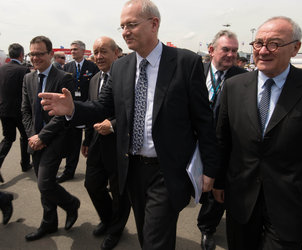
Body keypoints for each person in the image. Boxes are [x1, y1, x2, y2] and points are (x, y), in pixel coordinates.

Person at [39, 1, 218, 249]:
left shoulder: (185, 62)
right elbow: (102, 107)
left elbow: (203, 119)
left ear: (154, 24)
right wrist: (73, 109)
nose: (124, 31)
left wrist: (209, 167)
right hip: (131, 168)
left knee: (156, 239)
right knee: (147, 235)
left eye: (131, 25)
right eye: (122, 26)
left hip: (167, 170)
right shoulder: (122, 66)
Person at [213, 16, 302, 250]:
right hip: (242, 201)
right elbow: (224, 141)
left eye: (273, 44)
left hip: (292, 205)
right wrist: (219, 182)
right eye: (258, 44)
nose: (263, 51)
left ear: (295, 48)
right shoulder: (234, 86)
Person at [22, 36, 80, 241]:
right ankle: (50, 223)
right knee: (42, 183)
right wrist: (32, 136)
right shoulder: (28, 78)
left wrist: (43, 136)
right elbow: (25, 110)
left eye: (39, 53)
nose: (35, 58)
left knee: (45, 183)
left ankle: (71, 204)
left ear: (50, 54)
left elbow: (65, 114)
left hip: (55, 140)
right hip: (35, 140)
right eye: (32, 54)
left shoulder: (64, 78)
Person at [198, 30, 246, 250]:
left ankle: (207, 228)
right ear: (211, 50)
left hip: (223, 146)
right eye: (225, 49)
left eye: (234, 50)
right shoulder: (196, 72)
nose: (231, 54)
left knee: (216, 192)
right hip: (194, 144)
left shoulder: (242, 78)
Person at [81, 36, 131, 250]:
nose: (99, 56)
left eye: (104, 51)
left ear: (116, 53)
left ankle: (116, 230)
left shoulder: (127, 79)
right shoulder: (93, 79)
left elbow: (134, 112)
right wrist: (86, 139)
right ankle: (109, 218)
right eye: (96, 52)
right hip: (96, 143)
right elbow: (91, 110)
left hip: (120, 145)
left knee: (120, 192)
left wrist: (112, 124)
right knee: (91, 184)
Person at [58, 40, 99, 183]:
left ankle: (95, 174)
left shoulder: (92, 67)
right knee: (73, 142)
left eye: (75, 49)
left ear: (83, 51)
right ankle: (69, 171)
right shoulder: (67, 67)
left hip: (89, 108)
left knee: (91, 143)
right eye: (71, 50)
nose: (72, 52)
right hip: (73, 109)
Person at [0, 43, 32, 182]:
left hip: (3, 110)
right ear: (21, 54)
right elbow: (27, 93)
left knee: (8, 138)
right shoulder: (23, 70)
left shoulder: (2, 69)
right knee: (25, 137)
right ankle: (25, 164)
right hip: (19, 111)